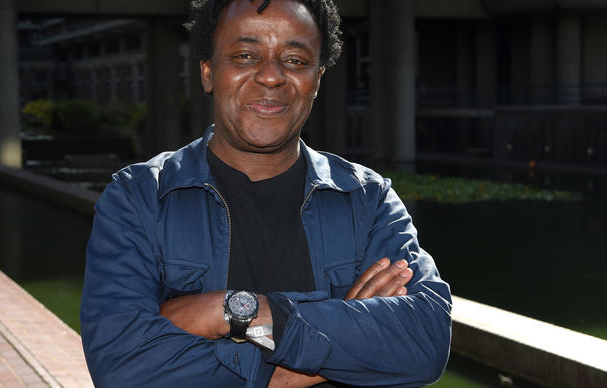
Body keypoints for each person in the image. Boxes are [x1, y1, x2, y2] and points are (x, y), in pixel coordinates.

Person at [80, 0, 452, 387]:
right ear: (208, 72)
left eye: (294, 60)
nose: (271, 77)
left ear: (318, 78)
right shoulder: (139, 199)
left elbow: (424, 341)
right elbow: (125, 368)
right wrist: (335, 338)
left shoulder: (367, 199)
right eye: (245, 56)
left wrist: (232, 312)